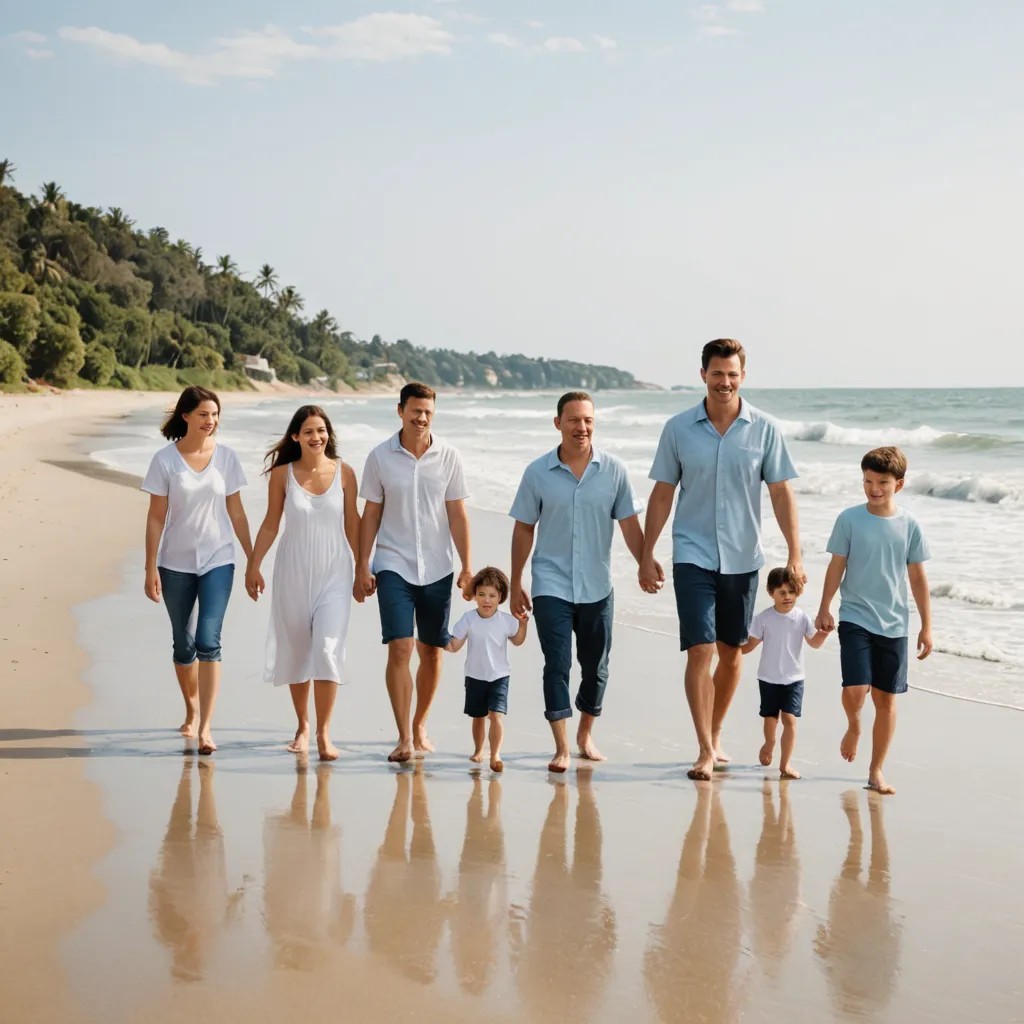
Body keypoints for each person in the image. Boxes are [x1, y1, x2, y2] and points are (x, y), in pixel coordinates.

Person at [639, 338, 804, 782]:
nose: (725, 381)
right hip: (692, 553)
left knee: (732, 654)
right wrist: (646, 553)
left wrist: (795, 553)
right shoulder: (678, 429)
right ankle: (705, 748)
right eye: (717, 373)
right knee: (702, 649)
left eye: (732, 374)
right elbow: (662, 492)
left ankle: (715, 731)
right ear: (703, 375)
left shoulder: (765, 429)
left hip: (743, 558)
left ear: (742, 376)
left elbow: (781, 492)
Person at [509, 391, 646, 773]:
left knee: (596, 666)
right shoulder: (537, 472)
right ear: (558, 423)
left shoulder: (614, 470)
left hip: (597, 585)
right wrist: (517, 579)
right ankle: (562, 746)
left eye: (587, 420)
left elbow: (630, 525)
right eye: (573, 420)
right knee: (557, 663)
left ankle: (586, 734)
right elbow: (523, 529)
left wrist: (645, 563)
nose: (581, 427)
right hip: (550, 582)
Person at [357, 381, 472, 763]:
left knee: (432, 652)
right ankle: (404, 735)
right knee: (401, 647)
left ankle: (421, 723)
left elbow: (457, 513)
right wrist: (362, 563)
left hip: (438, 566)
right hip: (393, 563)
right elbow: (370, 513)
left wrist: (467, 565)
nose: (421, 418)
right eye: (415, 411)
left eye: (427, 412)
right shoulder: (380, 457)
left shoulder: (449, 456)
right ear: (400, 410)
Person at [246, 406, 361, 762]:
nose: (317, 437)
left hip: (335, 573)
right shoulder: (282, 474)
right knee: (297, 651)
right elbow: (270, 523)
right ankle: (302, 726)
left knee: (327, 649)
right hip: (292, 571)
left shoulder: (345, 473)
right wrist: (253, 565)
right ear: (295, 436)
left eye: (322, 430)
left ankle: (324, 734)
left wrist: (363, 567)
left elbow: (353, 523)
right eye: (309, 431)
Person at [142, 385, 253, 755]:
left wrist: (252, 557)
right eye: (204, 414)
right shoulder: (165, 461)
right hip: (174, 562)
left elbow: (236, 511)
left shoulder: (227, 458)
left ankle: (205, 727)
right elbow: (157, 517)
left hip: (219, 559)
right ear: (186, 416)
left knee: (208, 640)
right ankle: (191, 707)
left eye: (216, 414)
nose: (211, 421)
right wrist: (149, 567)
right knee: (183, 642)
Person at [815, 446, 932, 795]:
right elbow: (837, 566)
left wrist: (927, 625)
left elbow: (918, 578)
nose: (874, 488)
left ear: (900, 484)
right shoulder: (849, 519)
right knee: (855, 688)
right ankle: (854, 725)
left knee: (886, 700)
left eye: (883, 482)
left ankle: (876, 770)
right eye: (868, 481)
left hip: (895, 622)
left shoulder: (909, 524)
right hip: (855, 615)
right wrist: (825, 607)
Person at [742, 567, 829, 779]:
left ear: (797, 592)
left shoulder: (802, 618)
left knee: (790, 719)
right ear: (771, 593)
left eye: (791, 591)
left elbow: (814, 643)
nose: (787, 597)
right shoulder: (763, 618)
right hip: (768, 678)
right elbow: (749, 646)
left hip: (794, 679)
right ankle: (769, 742)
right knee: (771, 720)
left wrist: (824, 633)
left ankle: (785, 764)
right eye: (781, 592)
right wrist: (727, 650)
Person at [446, 566, 529, 772]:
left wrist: (523, 624)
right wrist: (436, 636)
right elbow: (454, 645)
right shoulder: (468, 619)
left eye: (492, 595)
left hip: (499, 675)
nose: (487, 600)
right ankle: (478, 750)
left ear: (500, 597)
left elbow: (517, 641)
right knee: (478, 717)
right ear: (474, 596)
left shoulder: (506, 621)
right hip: (475, 675)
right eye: (482, 594)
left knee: (496, 715)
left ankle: (496, 754)